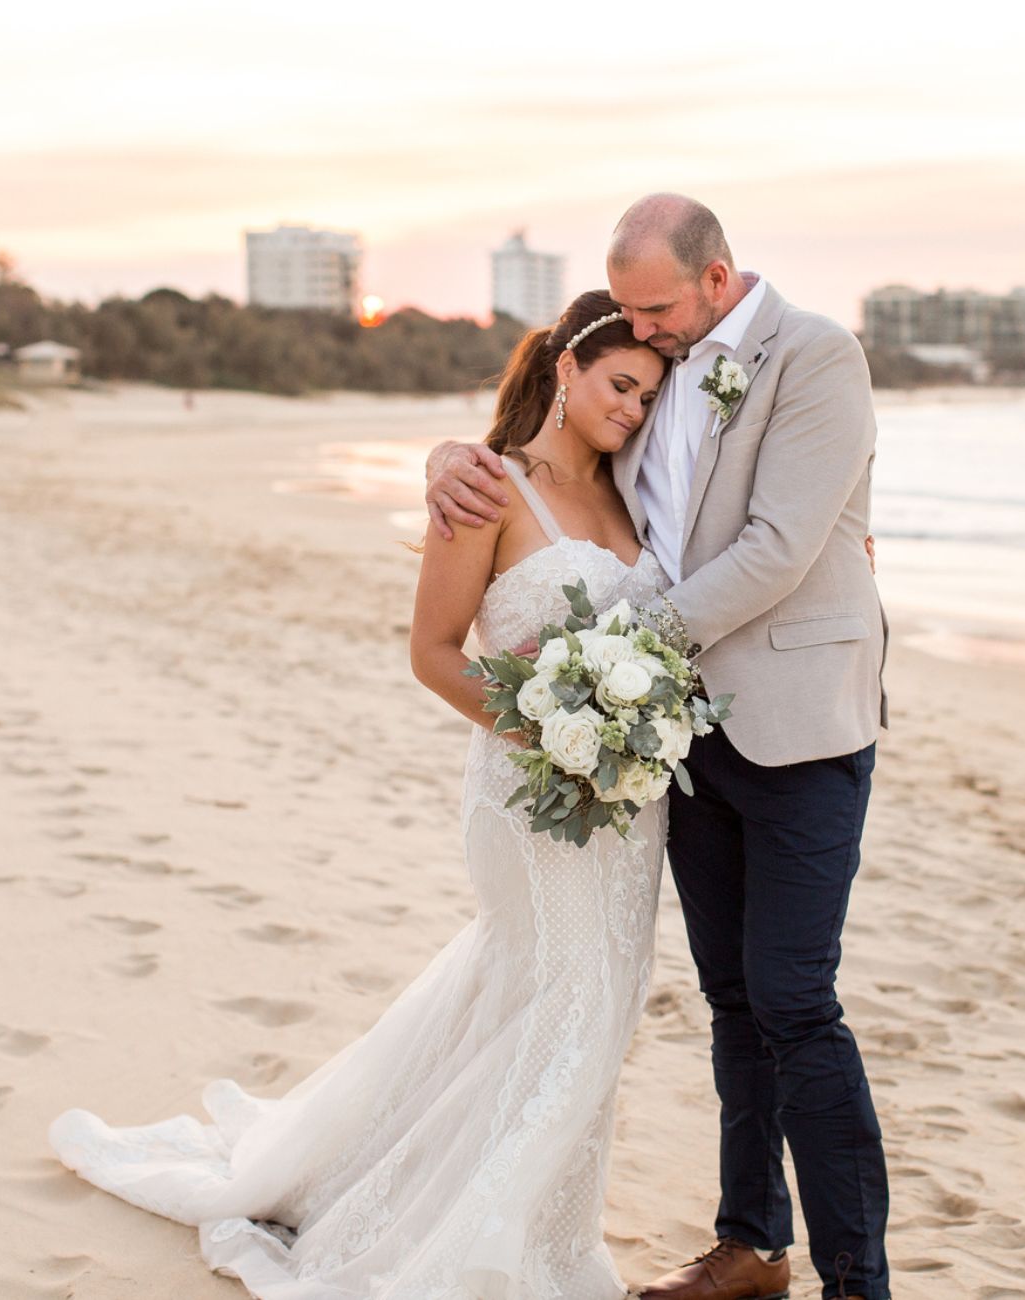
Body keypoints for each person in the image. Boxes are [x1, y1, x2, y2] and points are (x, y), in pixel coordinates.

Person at [48, 290, 673, 1299]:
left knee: (568, 1004)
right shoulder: (488, 487)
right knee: (568, 1003)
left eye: (648, 395)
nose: (633, 411)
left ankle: (519, 1219)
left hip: (628, 810)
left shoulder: (644, 490)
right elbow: (431, 652)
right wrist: (559, 737)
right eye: (618, 385)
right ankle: (485, 1248)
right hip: (530, 791)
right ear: (566, 368)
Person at [426, 195, 892, 1300]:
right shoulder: (667, 361)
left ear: (717, 278)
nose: (643, 328)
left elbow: (779, 545)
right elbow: (574, 438)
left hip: (800, 729)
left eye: (656, 306)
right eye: (626, 312)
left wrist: (617, 658)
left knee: (794, 999)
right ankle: (750, 1244)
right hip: (684, 744)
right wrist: (453, 453)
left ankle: (856, 1282)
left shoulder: (815, 357)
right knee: (732, 997)